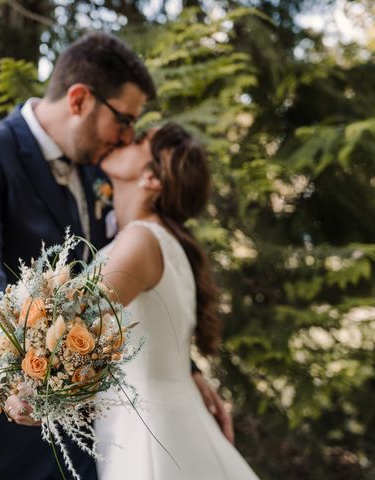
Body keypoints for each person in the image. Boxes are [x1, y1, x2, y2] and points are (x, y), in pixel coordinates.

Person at [0, 32, 230, 479]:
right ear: (79, 100)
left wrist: (178, 368)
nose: (128, 136)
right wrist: (8, 366)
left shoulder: (98, 169)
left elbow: (114, 289)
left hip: (69, 439)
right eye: (124, 120)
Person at [93, 123, 259, 478]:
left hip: (147, 440)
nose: (125, 137)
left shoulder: (140, 240)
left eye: (139, 141)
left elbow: (71, 315)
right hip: (170, 422)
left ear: (152, 180)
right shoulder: (161, 240)